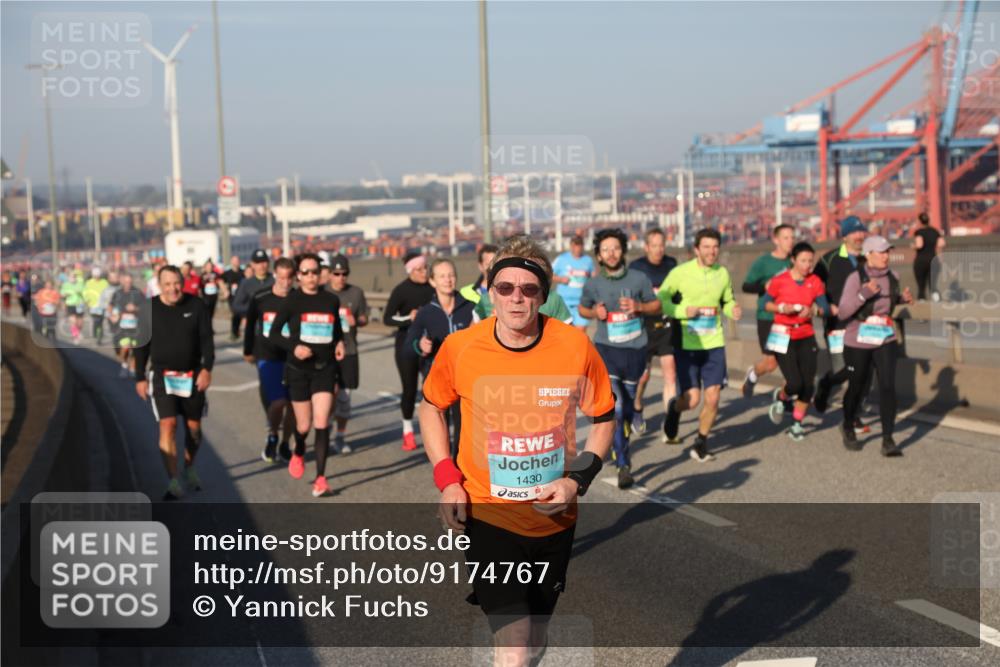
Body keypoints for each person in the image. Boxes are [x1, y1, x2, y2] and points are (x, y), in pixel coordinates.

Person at [418, 234, 614, 665]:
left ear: (543, 296)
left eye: (528, 290)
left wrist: (576, 480)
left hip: (553, 517)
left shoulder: (574, 345)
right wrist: (448, 480)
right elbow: (431, 407)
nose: (516, 299)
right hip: (488, 512)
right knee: (515, 642)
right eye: (505, 288)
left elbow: (604, 418)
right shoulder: (462, 347)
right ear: (491, 292)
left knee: (536, 636)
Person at [578, 229, 660, 488]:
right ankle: (623, 462)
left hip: (636, 349)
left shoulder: (639, 278)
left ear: (623, 250)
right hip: (606, 350)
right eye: (605, 250)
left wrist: (639, 307)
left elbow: (656, 305)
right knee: (618, 406)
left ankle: (623, 439)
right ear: (599, 256)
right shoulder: (593, 284)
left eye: (615, 248)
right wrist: (594, 312)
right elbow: (582, 307)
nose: (611, 253)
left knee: (627, 406)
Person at [659, 228, 742, 461]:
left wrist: (731, 309)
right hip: (687, 344)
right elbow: (661, 300)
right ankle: (675, 408)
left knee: (714, 396)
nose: (711, 251)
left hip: (714, 343)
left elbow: (727, 300)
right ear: (696, 249)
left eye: (715, 247)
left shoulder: (722, 273)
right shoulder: (680, 273)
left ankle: (700, 443)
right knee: (692, 400)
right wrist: (682, 311)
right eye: (706, 247)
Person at [267, 253, 346, 498]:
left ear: (320, 273)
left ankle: (321, 479)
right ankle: (299, 450)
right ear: (298, 276)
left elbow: (336, 330)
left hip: (325, 368)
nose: (311, 276)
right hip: (299, 371)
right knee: (304, 424)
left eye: (314, 271)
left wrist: (340, 343)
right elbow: (275, 333)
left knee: (322, 423)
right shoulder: (292, 302)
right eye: (306, 272)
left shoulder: (331, 300)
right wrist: (294, 348)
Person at [134, 265, 215, 500]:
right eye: (167, 284)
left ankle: (189, 467)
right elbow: (141, 346)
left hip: (192, 375)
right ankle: (172, 480)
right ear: (159, 286)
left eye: (176, 283)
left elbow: (207, 342)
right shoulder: (148, 309)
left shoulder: (196, 305)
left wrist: (207, 370)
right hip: (161, 376)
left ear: (183, 282)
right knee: (168, 425)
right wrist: (140, 377)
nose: (173, 289)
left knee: (194, 429)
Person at [837, 236, 913, 456]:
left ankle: (888, 439)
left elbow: (886, 302)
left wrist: (901, 299)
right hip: (857, 340)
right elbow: (843, 312)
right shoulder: (855, 278)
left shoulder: (893, 277)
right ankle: (848, 424)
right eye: (881, 252)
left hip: (884, 338)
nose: (886, 256)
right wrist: (864, 293)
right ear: (868, 254)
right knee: (857, 386)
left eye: (887, 252)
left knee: (888, 386)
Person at [404, 258, 477, 459]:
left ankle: (459, 465)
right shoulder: (426, 313)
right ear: (433, 281)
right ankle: (444, 465)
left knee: (463, 426)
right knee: (440, 426)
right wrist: (420, 346)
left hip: (464, 378)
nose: (448, 280)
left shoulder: (470, 308)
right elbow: (408, 347)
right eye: (442, 276)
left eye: (451, 275)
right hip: (437, 378)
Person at [762, 242, 830, 441]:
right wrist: (783, 308)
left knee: (808, 386)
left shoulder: (815, 281)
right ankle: (782, 396)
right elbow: (765, 304)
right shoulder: (780, 281)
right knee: (795, 383)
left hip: (806, 335)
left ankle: (797, 424)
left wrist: (815, 310)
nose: (808, 265)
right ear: (793, 260)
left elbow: (824, 307)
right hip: (784, 336)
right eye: (803, 261)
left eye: (810, 260)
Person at [812, 216, 870, 432]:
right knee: (843, 369)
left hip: (864, 325)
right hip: (837, 324)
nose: (859, 236)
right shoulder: (830, 259)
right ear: (845, 236)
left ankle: (853, 415)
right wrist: (825, 307)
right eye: (854, 232)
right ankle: (826, 384)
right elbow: (814, 286)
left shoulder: (869, 258)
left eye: (861, 231)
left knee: (864, 372)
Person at [244, 257, 297, 463]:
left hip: (292, 357)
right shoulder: (261, 297)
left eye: (289, 278)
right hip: (268, 357)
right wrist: (248, 349)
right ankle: (273, 435)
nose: (285, 282)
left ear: (294, 278)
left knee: (293, 405)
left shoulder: (298, 297)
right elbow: (250, 326)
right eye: (281, 277)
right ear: (275, 275)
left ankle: (285, 443)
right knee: (278, 402)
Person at [628, 227, 679, 437]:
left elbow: (678, 294)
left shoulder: (672, 265)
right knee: (643, 377)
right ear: (646, 247)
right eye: (654, 246)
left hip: (667, 325)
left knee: (670, 374)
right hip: (643, 327)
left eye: (662, 245)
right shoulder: (636, 267)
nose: (659, 250)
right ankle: (637, 408)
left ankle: (669, 423)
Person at [383, 251, 435, 451]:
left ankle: (434, 430)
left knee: (432, 390)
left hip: (430, 345)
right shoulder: (401, 290)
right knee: (410, 389)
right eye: (420, 269)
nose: (424, 272)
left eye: (426, 268)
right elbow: (387, 318)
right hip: (406, 346)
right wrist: (407, 318)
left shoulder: (433, 288)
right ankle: (407, 431)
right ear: (411, 271)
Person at [740, 224, 794, 398]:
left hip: (790, 318)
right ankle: (753, 375)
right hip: (768, 317)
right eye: (786, 238)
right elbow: (746, 286)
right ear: (776, 240)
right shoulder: (764, 262)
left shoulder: (795, 261)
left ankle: (785, 400)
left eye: (792, 237)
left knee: (791, 364)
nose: (790, 241)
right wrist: (765, 285)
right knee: (771, 364)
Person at [325, 254, 369, 455]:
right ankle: (323, 431)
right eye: (336, 273)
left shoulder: (356, 293)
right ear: (329, 274)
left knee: (344, 399)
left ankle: (340, 437)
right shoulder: (322, 293)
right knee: (327, 396)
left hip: (349, 351)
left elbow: (364, 318)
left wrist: (357, 321)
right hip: (326, 353)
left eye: (344, 274)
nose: (340, 277)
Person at [551, 235, 595, 329]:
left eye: (579, 245)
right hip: (564, 302)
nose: (577, 248)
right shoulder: (561, 259)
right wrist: (560, 279)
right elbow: (548, 274)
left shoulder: (588, 261)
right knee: (565, 332)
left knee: (580, 333)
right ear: (571, 246)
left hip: (581, 303)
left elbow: (594, 279)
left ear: (583, 246)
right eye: (575, 245)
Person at [110, 273, 144, 378]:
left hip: (135, 327)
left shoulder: (138, 293)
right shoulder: (117, 293)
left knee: (134, 348)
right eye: (126, 282)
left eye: (130, 282)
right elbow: (110, 306)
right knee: (124, 348)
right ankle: (124, 365)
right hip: (121, 327)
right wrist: (112, 315)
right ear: (122, 282)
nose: (128, 284)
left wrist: (136, 309)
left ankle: (133, 368)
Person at [231, 249, 273, 326]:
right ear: (252, 264)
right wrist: (252, 309)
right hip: (254, 326)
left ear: (268, 263)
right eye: (258, 263)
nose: (262, 265)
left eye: (264, 262)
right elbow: (236, 306)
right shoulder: (246, 283)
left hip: (273, 325)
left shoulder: (275, 280)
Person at [912, 212, 945, 301]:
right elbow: (942, 243)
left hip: (921, 260)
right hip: (933, 259)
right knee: (933, 284)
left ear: (919, 221)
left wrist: (913, 246)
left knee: (921, 285)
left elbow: (919, 244)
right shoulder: (935, 231)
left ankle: (922, 301)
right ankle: (937, 300)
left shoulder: (919, 232)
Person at [83, 267, 110, 344]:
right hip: (93, 305)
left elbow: (108, 292)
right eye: (95, 275)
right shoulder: (89, 283)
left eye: (98, 275)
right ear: (93, 275)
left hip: (102, 305)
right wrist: (87, 300)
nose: (96, 277)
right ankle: (96, 333)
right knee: (96, 321)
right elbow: (85, 292)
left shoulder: (104, 282)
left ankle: (99, 337)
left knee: (100, 322)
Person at [221, 255, 244, 341]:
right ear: (231, 262)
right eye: (234, 261)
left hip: (242, 297)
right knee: (235, 313)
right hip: (232, 297)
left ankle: (236, 331)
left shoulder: (243, 272)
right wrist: (225, 290)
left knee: (239, 314)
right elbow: (220, 280)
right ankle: (234, 332)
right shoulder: (228, 273)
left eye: (237, 261)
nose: (236, 262)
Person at [60, 269, 86, 345]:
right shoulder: (65, 284)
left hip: (79, 304)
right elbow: (62, 294)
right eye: (71, 276)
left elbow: (85, 292)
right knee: (73, 321)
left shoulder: (80, 283)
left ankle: (79, 332)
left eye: (74, 276)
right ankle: (75, 336)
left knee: (80, 323)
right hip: (70, 304)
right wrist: (65, 295)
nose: (73, 278)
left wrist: (81, 292)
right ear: (68, 277)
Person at [200, 260, 222, 327]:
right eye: (208, 266)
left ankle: (210, 326)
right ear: (205, 267)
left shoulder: (216, 274)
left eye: (210, 266)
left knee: (211, 312)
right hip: (206, 296)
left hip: (214, 295)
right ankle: (207, 326)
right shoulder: (202, 275)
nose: (209, 267)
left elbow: (219, 283)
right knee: (206, 312)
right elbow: (200, 285)